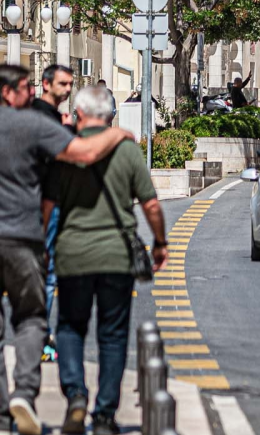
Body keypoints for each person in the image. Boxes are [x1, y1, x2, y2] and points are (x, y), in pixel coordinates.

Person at [0, 65, 133, 435]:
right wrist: (119, 133)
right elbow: (84, 153)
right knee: (30, 317)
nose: (32, 96)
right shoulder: (32, 125)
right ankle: (24, 393)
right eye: (26, 89)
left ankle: (1, 414)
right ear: (9, 93)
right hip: (21, 237)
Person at [43, 85, 168, 434]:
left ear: (80, 115)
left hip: (72, 254)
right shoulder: (127, 151)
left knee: (70, 327)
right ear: (109, 116)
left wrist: (43, 245)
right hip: (116, 255)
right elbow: (152, 205)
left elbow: (48, 206)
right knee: (112, 335)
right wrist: (159, 243)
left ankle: (76, 396)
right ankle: (104, 415)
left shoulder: (64, 152)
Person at [33, 65, 75, 364]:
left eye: (71, 84)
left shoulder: (49, 118)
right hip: (45, 205)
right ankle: (39, 338)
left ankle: (37, 335)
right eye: (63, 83)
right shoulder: (43, 119)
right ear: (46, 84)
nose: (68, 89)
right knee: (46, 275)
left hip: (50, 204)